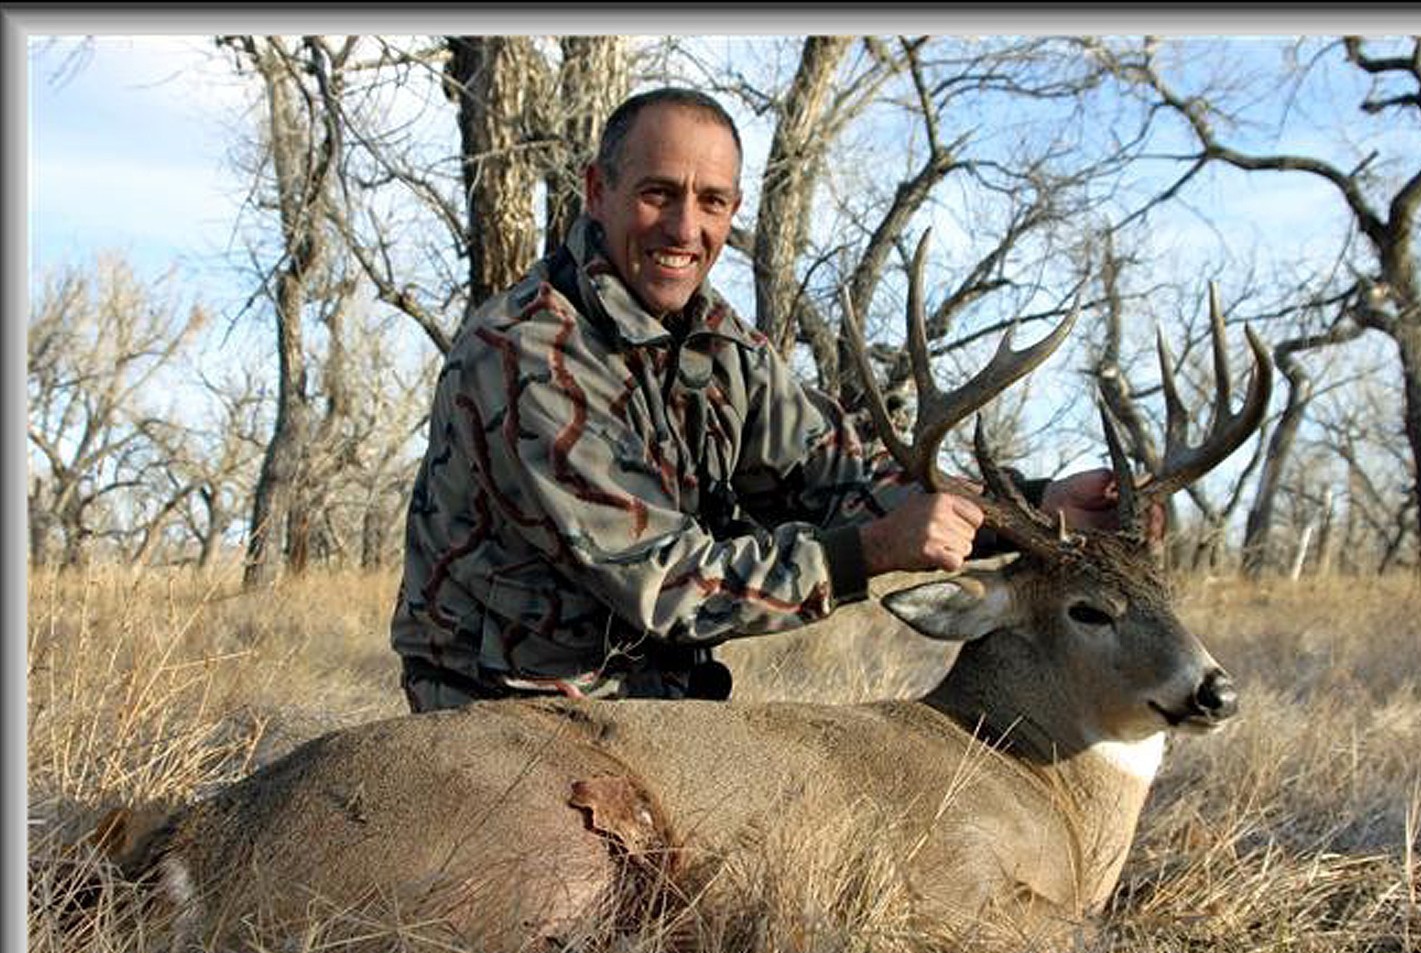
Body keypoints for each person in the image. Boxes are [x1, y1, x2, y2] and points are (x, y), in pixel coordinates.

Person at [392, 87, 1118, 710]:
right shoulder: (525, 355)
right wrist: (869, 553)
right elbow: (667, 585)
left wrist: (1033, 504)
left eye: (710, 202)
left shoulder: (721, 345)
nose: (684, 229)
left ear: (734, 209)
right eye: (657, 193)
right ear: (596, 191)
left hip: (654, 705)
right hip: (505, 711)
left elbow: (844, 480)